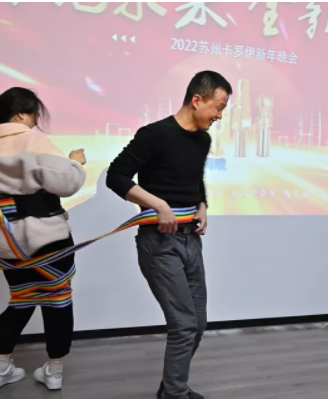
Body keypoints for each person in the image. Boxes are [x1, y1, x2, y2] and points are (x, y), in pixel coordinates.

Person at [106, 71, 232, 399]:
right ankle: (175, 394)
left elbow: (194, 178)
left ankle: (171, 388)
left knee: (197, 324)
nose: (219, 116)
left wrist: (202, 204)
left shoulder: (202, 140)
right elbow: (116, 176)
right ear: (197, 100)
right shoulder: (154, 134)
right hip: (159, 243)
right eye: (218, 108)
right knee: (184, 324)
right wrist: (158, 204)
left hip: (192, 239)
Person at [0, 87, 87, 390]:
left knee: (21, 300)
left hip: (8, 241)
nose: (34, 121)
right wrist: (75, 162)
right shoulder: (32, 140)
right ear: (20, 114)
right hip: (49, 240)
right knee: (58, 301)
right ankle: (54, 372)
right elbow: (67, 183)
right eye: (33, 115)